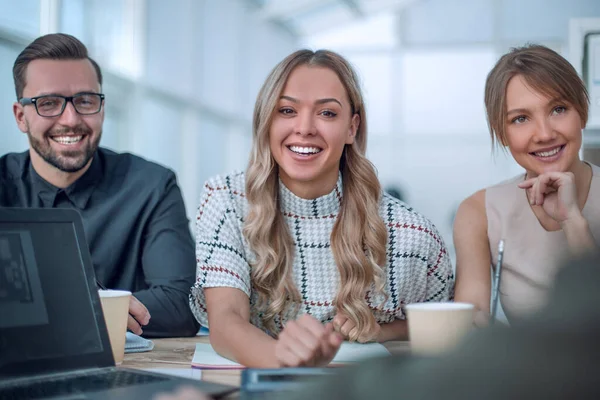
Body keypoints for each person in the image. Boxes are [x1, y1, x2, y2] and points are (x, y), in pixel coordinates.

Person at [189, 49, 453, 368]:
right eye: (287, 110)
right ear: (266, 120)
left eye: (327, 113)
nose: (305, 128)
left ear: (352, 128)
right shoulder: (227, 200)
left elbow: (450, 329)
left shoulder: (412, 235)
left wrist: (381, 331)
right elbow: (226, 321)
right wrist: (290, 367)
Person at [0, 33, 199, 337]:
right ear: (20, 117)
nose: (70, 119)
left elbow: (180, 306)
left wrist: (44, 315)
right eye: (49, 103)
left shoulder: (152, 186)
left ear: (102, 107)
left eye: (85, 101)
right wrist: (97, 311)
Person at [453, 44, 600, 327]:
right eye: (520, 119)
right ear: (502, 133)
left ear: (581, 113)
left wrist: (573, 223)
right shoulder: (478, 212)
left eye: (558, 109)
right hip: (526, 371)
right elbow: (472, 321)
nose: (545, 134)